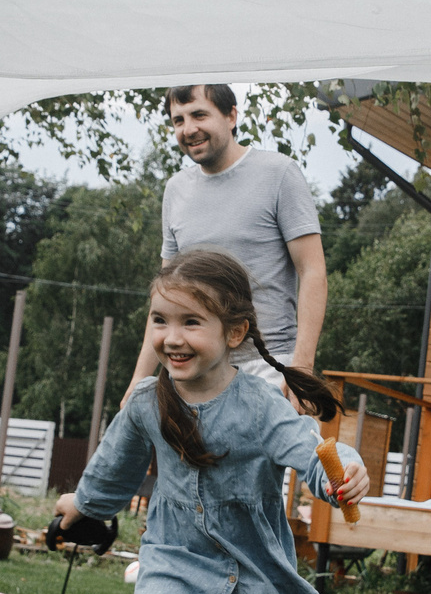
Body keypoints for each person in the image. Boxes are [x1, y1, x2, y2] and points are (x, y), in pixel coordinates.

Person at [58, 248, 368, 594]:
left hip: (254, 558)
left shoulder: (260, 405)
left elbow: (310, 449)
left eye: (190, 322)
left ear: (235, 332)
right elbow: (113, 468)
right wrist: (80, 505)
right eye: (160, 320)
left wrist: (343, 472)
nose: (171, 337)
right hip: (176, 552)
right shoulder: (148, 405)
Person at [126, 85, 325, 395]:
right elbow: (167, 299)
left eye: (199, 115)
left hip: (269, 368)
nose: (189, 129)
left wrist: (301, 368)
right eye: (178, 120)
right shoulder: (176, 190)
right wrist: (139, 379)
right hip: (195, 372)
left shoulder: (279, 173)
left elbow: (313, 271)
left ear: (231, 115)